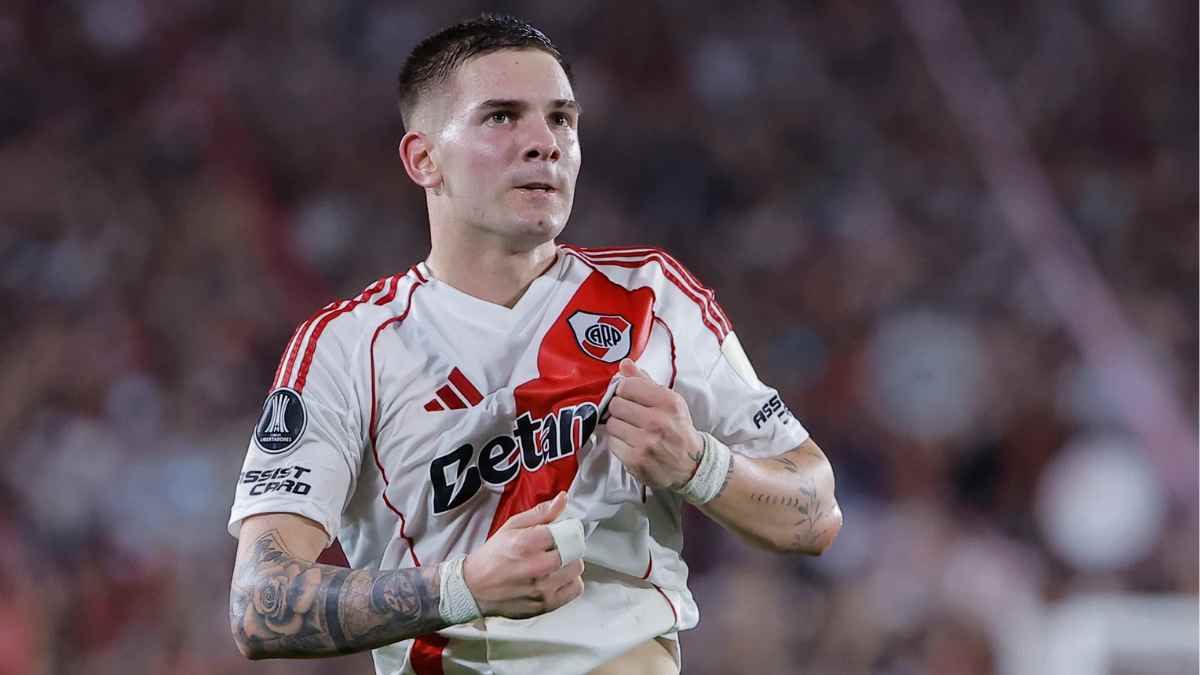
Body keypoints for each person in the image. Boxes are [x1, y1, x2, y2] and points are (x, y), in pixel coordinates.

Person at [227, 14, 842, 675]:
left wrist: (700, 463)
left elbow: (815, 513)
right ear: (423, 158)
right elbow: (260, 605)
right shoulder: (346, 349)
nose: (544, 143)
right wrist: (463, 586)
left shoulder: (651, 298)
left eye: (562, 120)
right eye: (501, 117)